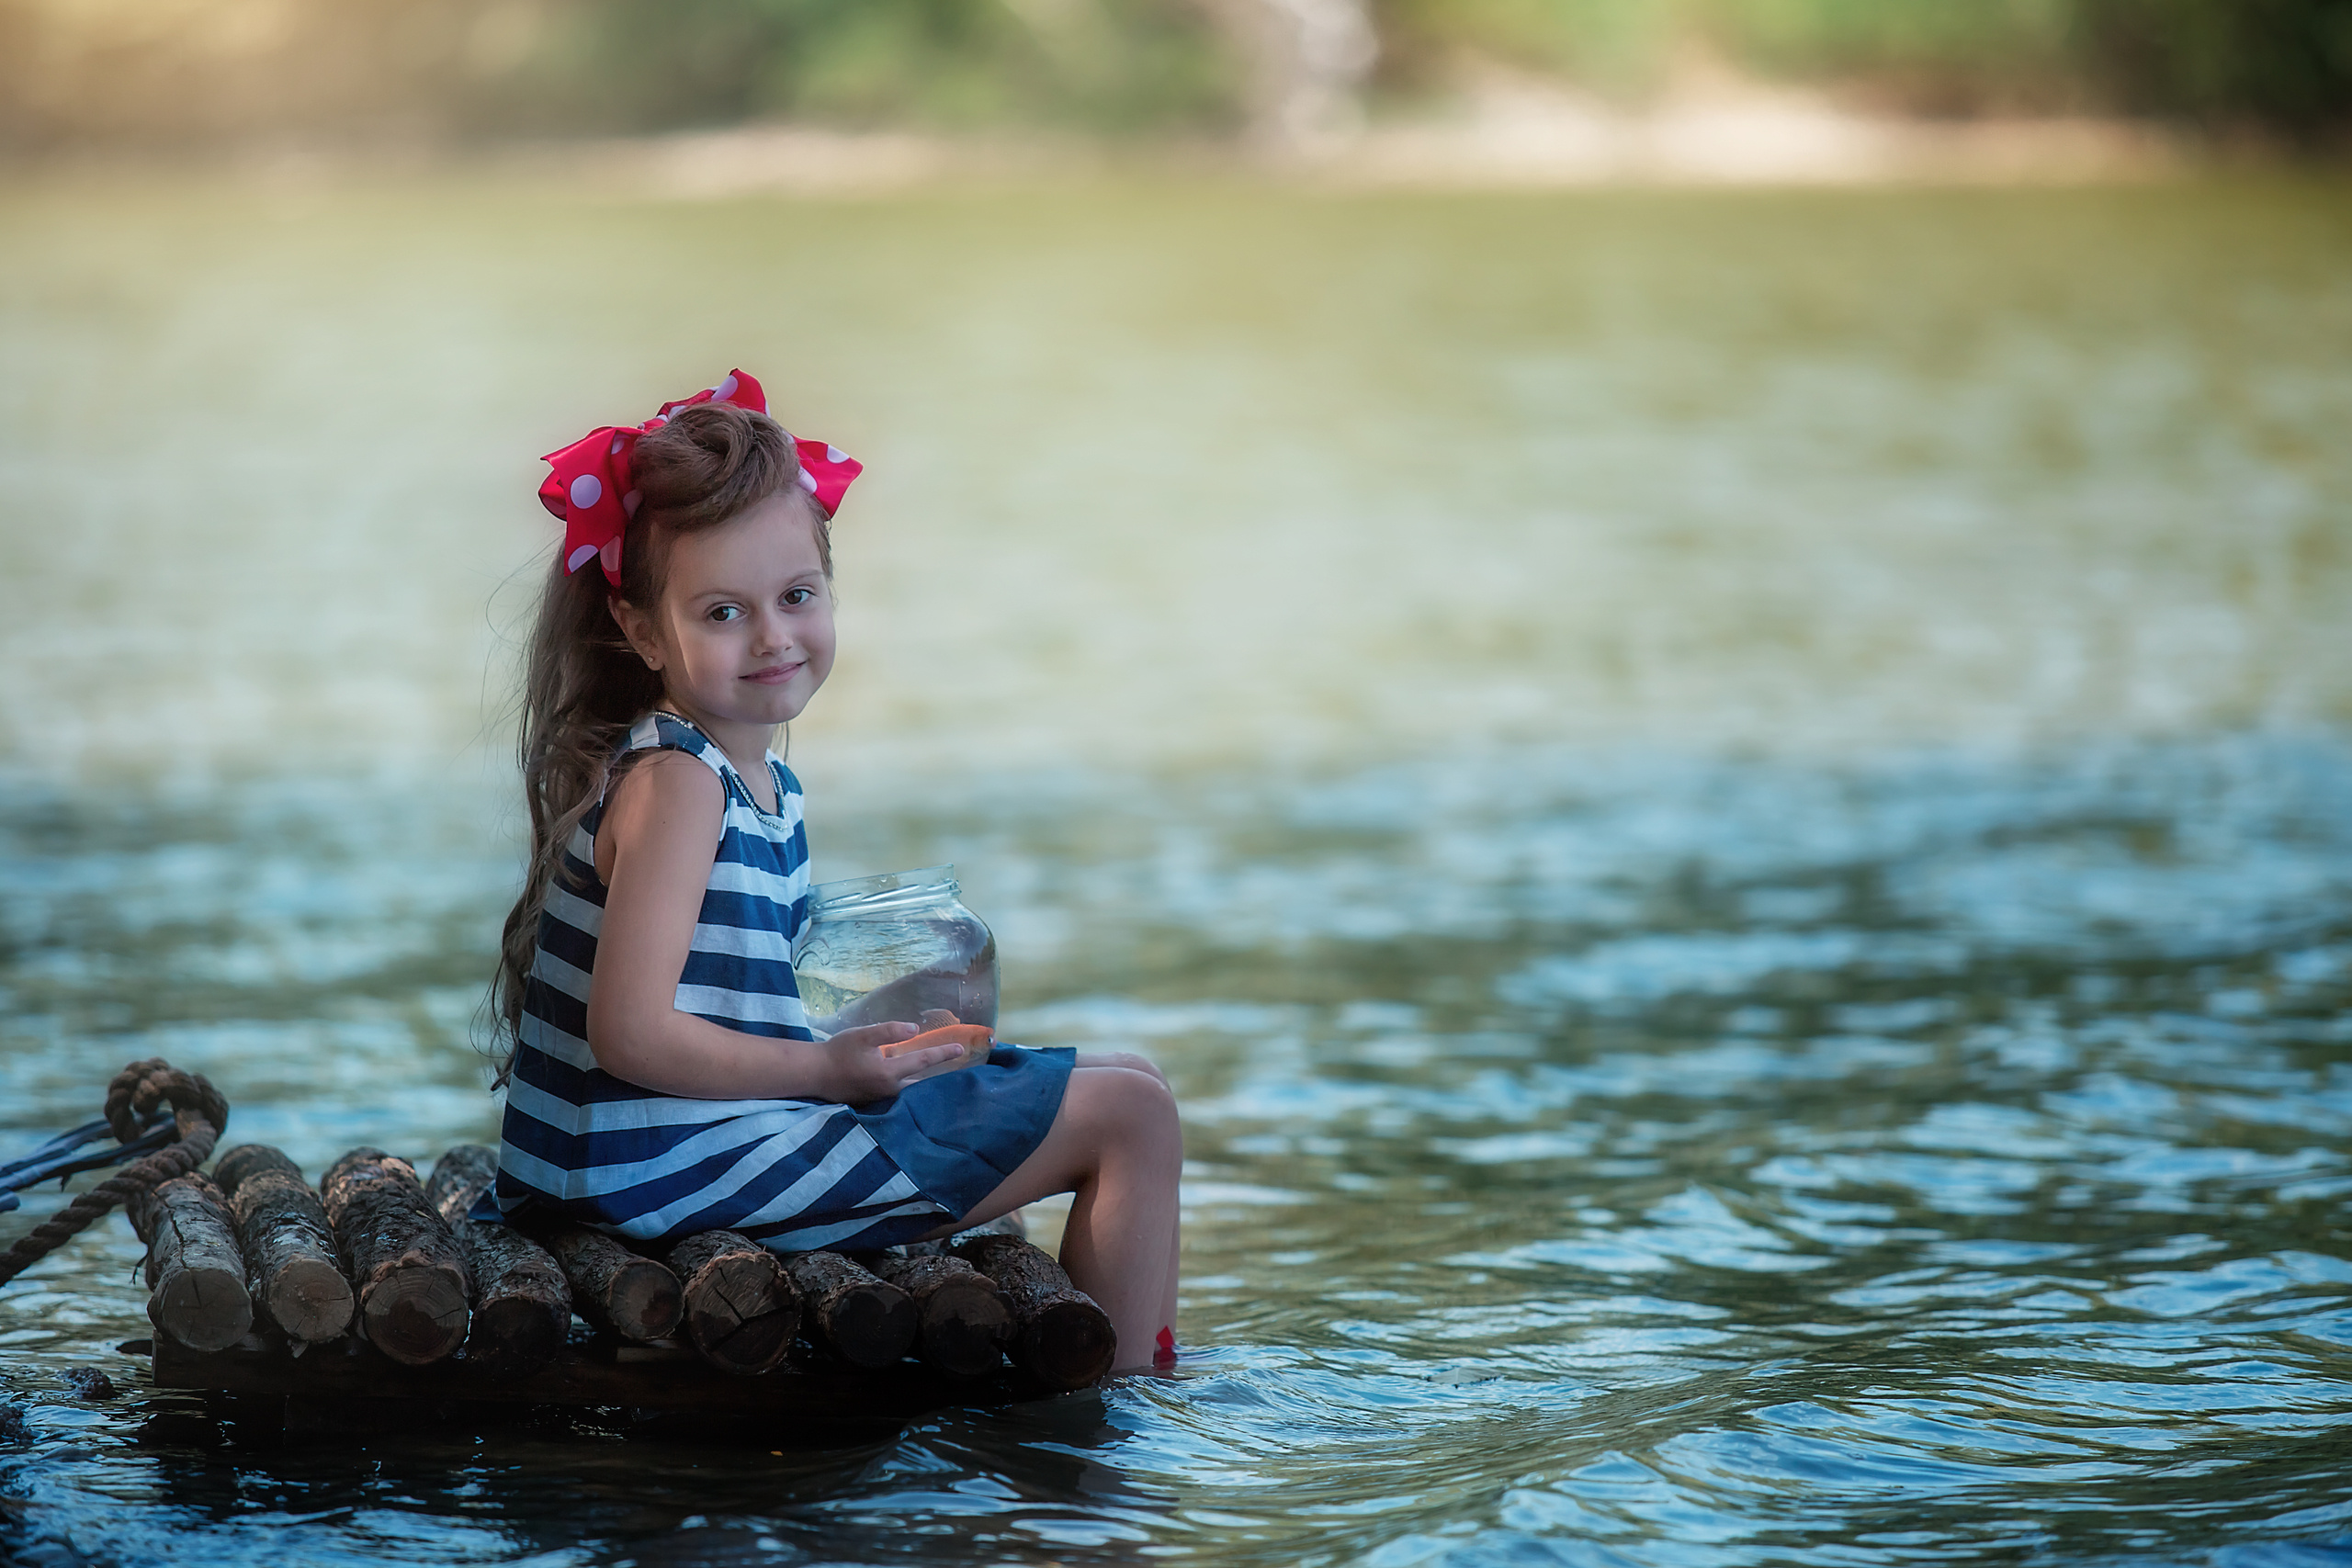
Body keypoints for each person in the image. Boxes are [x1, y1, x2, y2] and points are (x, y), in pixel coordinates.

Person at [485, 370, 1181, 1370]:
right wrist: (821, 1068)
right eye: (723, 613)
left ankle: (1139, 1363)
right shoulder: (680, 783)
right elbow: (629, 1032)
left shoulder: (747, 773)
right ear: (642, 632)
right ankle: (1125, 1408)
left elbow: (723, 991)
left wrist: (869, 1030)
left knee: (1130, 1076)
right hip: (649, 1170)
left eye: (796, 596)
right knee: (1132, 1116)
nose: (773, 636)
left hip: (655, 1149)